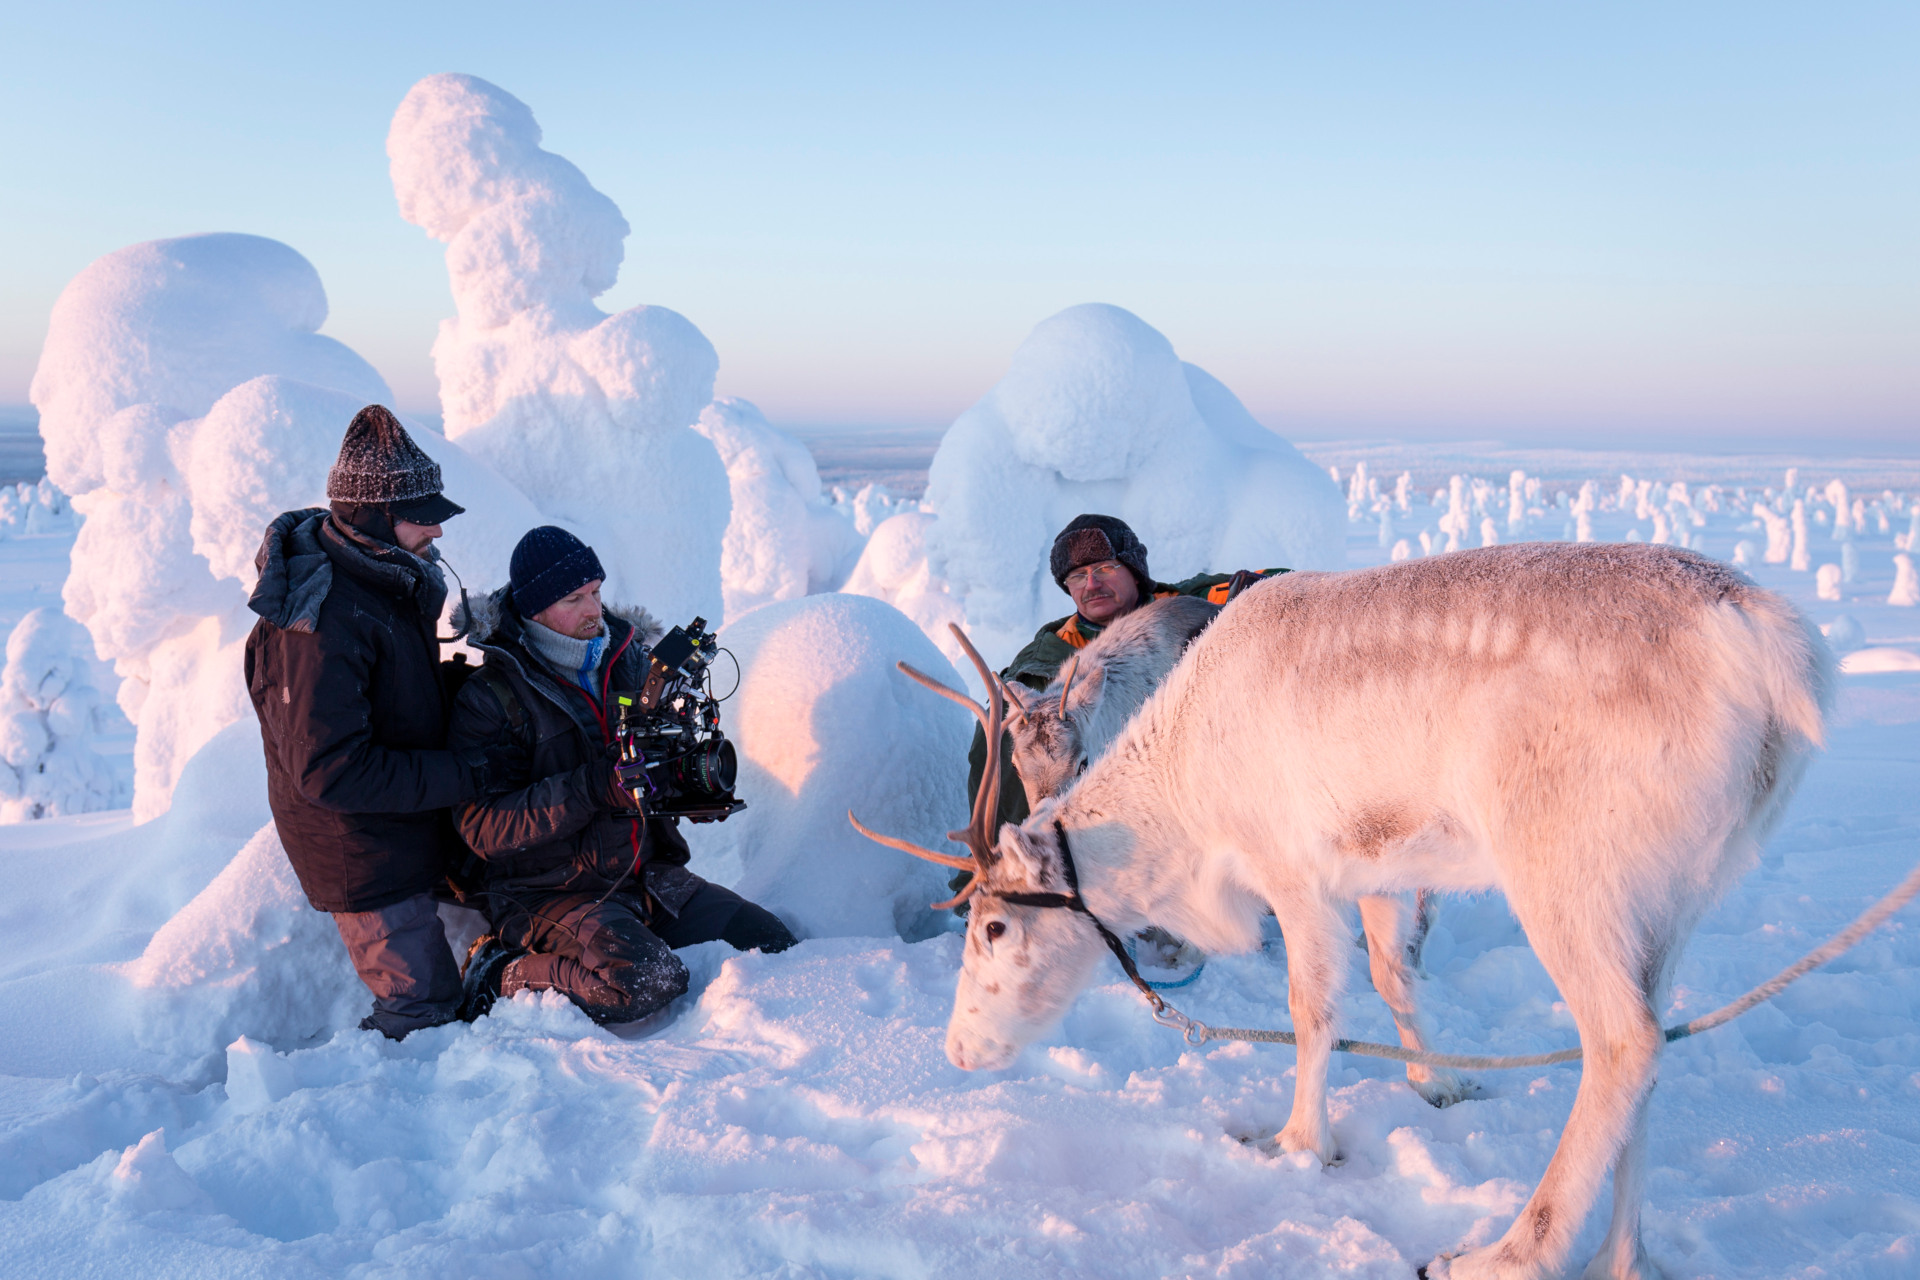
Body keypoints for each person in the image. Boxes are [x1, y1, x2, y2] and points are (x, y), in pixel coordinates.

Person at [449, 526, 796, 1025]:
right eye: (574, 598)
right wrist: (596, 786)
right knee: (643, 982)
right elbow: (483, 829)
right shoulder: (491, 698)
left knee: (773, 944)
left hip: (647, 877)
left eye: (595, 591)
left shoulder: (631, 663)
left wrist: (685, 789)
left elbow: (646, 768)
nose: (594, 609)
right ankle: (497, 969)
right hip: (554, 892)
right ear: (534, 609)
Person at [246, 404, 494, 1040]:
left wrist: (469, 688)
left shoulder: (379, 581)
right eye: (424, 516)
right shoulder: (323, 620)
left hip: (400, 824)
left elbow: (388, 692)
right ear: (378, 517)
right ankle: (381, 1111)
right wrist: (464, 773)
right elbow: (331, 770)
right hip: (359, 849)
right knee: (424, 1009)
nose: (437, 532)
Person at [966, 513, 1280, 833]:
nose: (1092, 584)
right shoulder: (1039, 672)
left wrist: (1260, 598)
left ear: (1135, 572)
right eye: (1076, 576)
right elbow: (997, 784)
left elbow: (1291, 585)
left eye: (1105, 569)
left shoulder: (1189, 601)